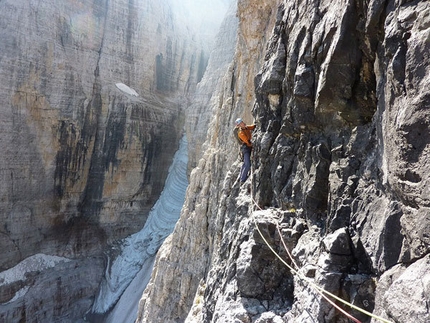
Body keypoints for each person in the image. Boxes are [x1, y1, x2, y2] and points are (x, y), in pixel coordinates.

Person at [234, 118, 256, 183]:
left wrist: (255, 125)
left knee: (245, 164)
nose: (243, 123)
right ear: (239, 126)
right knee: (247, 164)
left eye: (242, 122)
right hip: (246, 149)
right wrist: (253, 144)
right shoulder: (241, 133)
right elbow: (248, 141)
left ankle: (241, 176)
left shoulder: (246, 128)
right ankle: (242, 180)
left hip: (247, 147)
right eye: (241, 123)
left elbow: (252, 127)